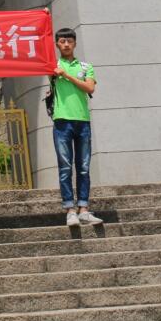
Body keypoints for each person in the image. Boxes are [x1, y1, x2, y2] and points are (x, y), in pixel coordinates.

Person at [50, 27, 102, 226]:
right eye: (62, 41)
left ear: (75, 43)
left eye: (69, 41)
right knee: (65, 167)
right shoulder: (52, 66)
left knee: (84, 167)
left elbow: (90, 87)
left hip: (83, 121)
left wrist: (67, 76)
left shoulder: (85, 66)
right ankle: (70, 209)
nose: (66, 44)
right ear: (57, 44)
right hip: (61, 121)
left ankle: (84, 209)